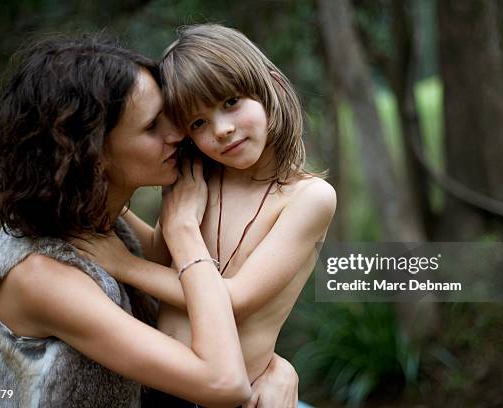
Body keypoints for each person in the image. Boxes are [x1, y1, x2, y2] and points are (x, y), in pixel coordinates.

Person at [0, 33, 297, 408]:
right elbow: (224, 382)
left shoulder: (99, 220)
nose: (178, 133)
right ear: (92, 153)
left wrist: (274, 365)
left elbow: (180, 308)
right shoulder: (41, 275)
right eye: (153, 126)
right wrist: (183, 229)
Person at [74, 24, 336, 407]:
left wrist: (123, 265)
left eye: (231, 102)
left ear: (273, 88)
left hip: (227, 394)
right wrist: (112, 208)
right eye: (198, 123)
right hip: (164, 387)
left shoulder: (308, 198)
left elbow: (233, 298)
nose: (223, 130)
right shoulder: (198, 178)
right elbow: (165, 254)